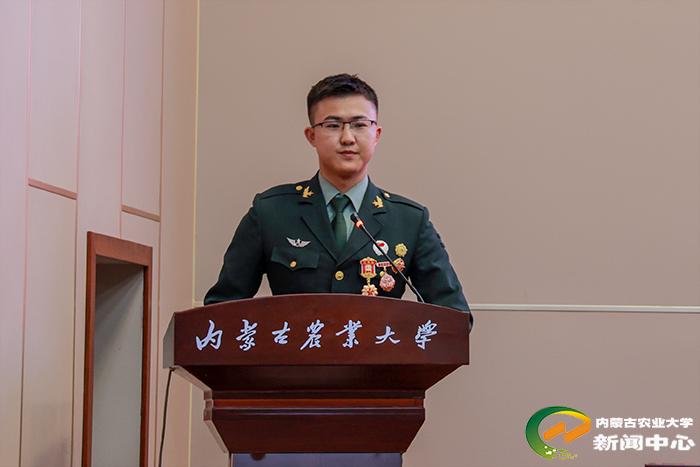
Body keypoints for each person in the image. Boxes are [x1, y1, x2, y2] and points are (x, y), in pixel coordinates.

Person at [204, 73, 471, 325]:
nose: (347, 138)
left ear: (376, 135)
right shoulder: (271, 211)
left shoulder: (409, 221)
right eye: (333, 126)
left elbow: (455, 319)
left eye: (359, 125)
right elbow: (220, 311)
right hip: (295, 359)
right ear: (312, 136)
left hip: (378, 359)